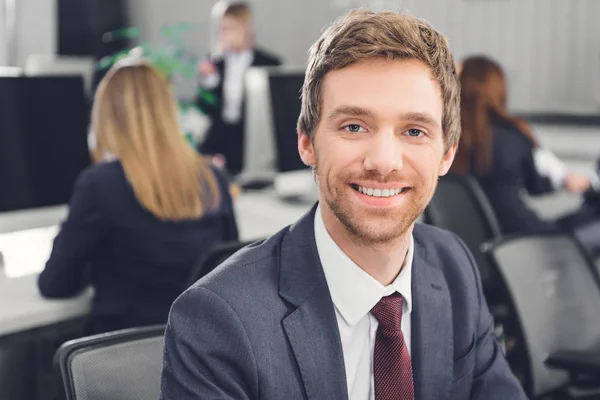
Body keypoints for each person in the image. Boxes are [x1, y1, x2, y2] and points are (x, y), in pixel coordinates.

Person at [160, 9, 527, 400]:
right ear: (306, 142)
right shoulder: (217, 320)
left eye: (414, 131)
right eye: (354, 126)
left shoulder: (454, 266)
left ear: (447, 155)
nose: (384, 161)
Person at [38, 60, 239, 335]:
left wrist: (94, 261)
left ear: (107, 118)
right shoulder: (212, 178)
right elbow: (230, 271)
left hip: (123, 361)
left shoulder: (100, 185)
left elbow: (55, 284)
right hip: (198, 358)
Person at [453, 55, 600, 256]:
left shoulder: (446, 138)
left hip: (472, 242)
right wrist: (569, 181)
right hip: (521, 238)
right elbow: (536, 186)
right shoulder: (513, 134)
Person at [196, 1, 281, 175]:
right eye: (222, 29)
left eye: (230, 28)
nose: (225, 34)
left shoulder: (268, 62)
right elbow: (204, 107)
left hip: (251, 140)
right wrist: (209, 79)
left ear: (246, 27)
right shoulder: (213, 63)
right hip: (220, 137)